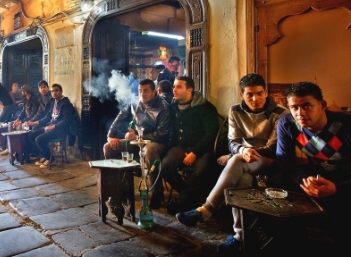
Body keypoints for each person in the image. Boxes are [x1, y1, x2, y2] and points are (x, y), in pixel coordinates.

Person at [175, 74, 289, 255]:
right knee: (241, 180)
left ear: (266, 92)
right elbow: (233, 142)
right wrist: (243, 151)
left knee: (235, 160)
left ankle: (206, 210)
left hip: (270, 160)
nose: (255, 99)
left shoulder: (280, 113)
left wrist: (244, 152)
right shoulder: (235, 110)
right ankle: (240, 236)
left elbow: (274, 146)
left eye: (260, 93)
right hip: (244, 160)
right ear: (241, 94)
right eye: (250, 94)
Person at [275, 82, 351, 253]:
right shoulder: (287, 123)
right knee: (278, 188)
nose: (299, 113)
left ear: (322, 105)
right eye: (294, 107)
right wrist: (303, 180)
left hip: (345, 178)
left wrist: (337, 189)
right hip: (316, 175)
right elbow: (284, 161)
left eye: (306, 106)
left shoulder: (346, 124)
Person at [104, 79, 172, 208]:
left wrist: (139, 136)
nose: (142, 94)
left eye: (146, 91)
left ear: (154, 92)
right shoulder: (135, 103)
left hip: (158, 142)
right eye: (140, 91)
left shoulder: (163, 108)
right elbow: (121, 116)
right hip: (137, 141)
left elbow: (162, 134)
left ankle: (157, 192)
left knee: (149, 150)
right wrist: (110, 136)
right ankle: (118, 189)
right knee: (109, 147)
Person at [161, 76, 219, 214]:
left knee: (200, 172)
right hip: (180, 147)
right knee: (165, 167)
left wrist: (195, 152)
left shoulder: (205, 107)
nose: (174, 89)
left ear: (190, 90)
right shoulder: (172, 107)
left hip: (203, 148)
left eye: (179, 87)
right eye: (174, 86)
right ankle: (188, 197)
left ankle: (182, 201)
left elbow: (211, 134)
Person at [27, 84, 76, 168]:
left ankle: (51, 159)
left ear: (61, 91)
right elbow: (47, 117)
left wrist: (53, 127)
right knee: (31, 135)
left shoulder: (66, 103)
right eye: (52, 91)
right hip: (51, 127)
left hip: (61, 130)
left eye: (57, 90)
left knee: (39, 139)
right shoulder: (53, 102)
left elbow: (66, 121)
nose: (54, 93)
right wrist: (33, 123)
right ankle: (45, 156)